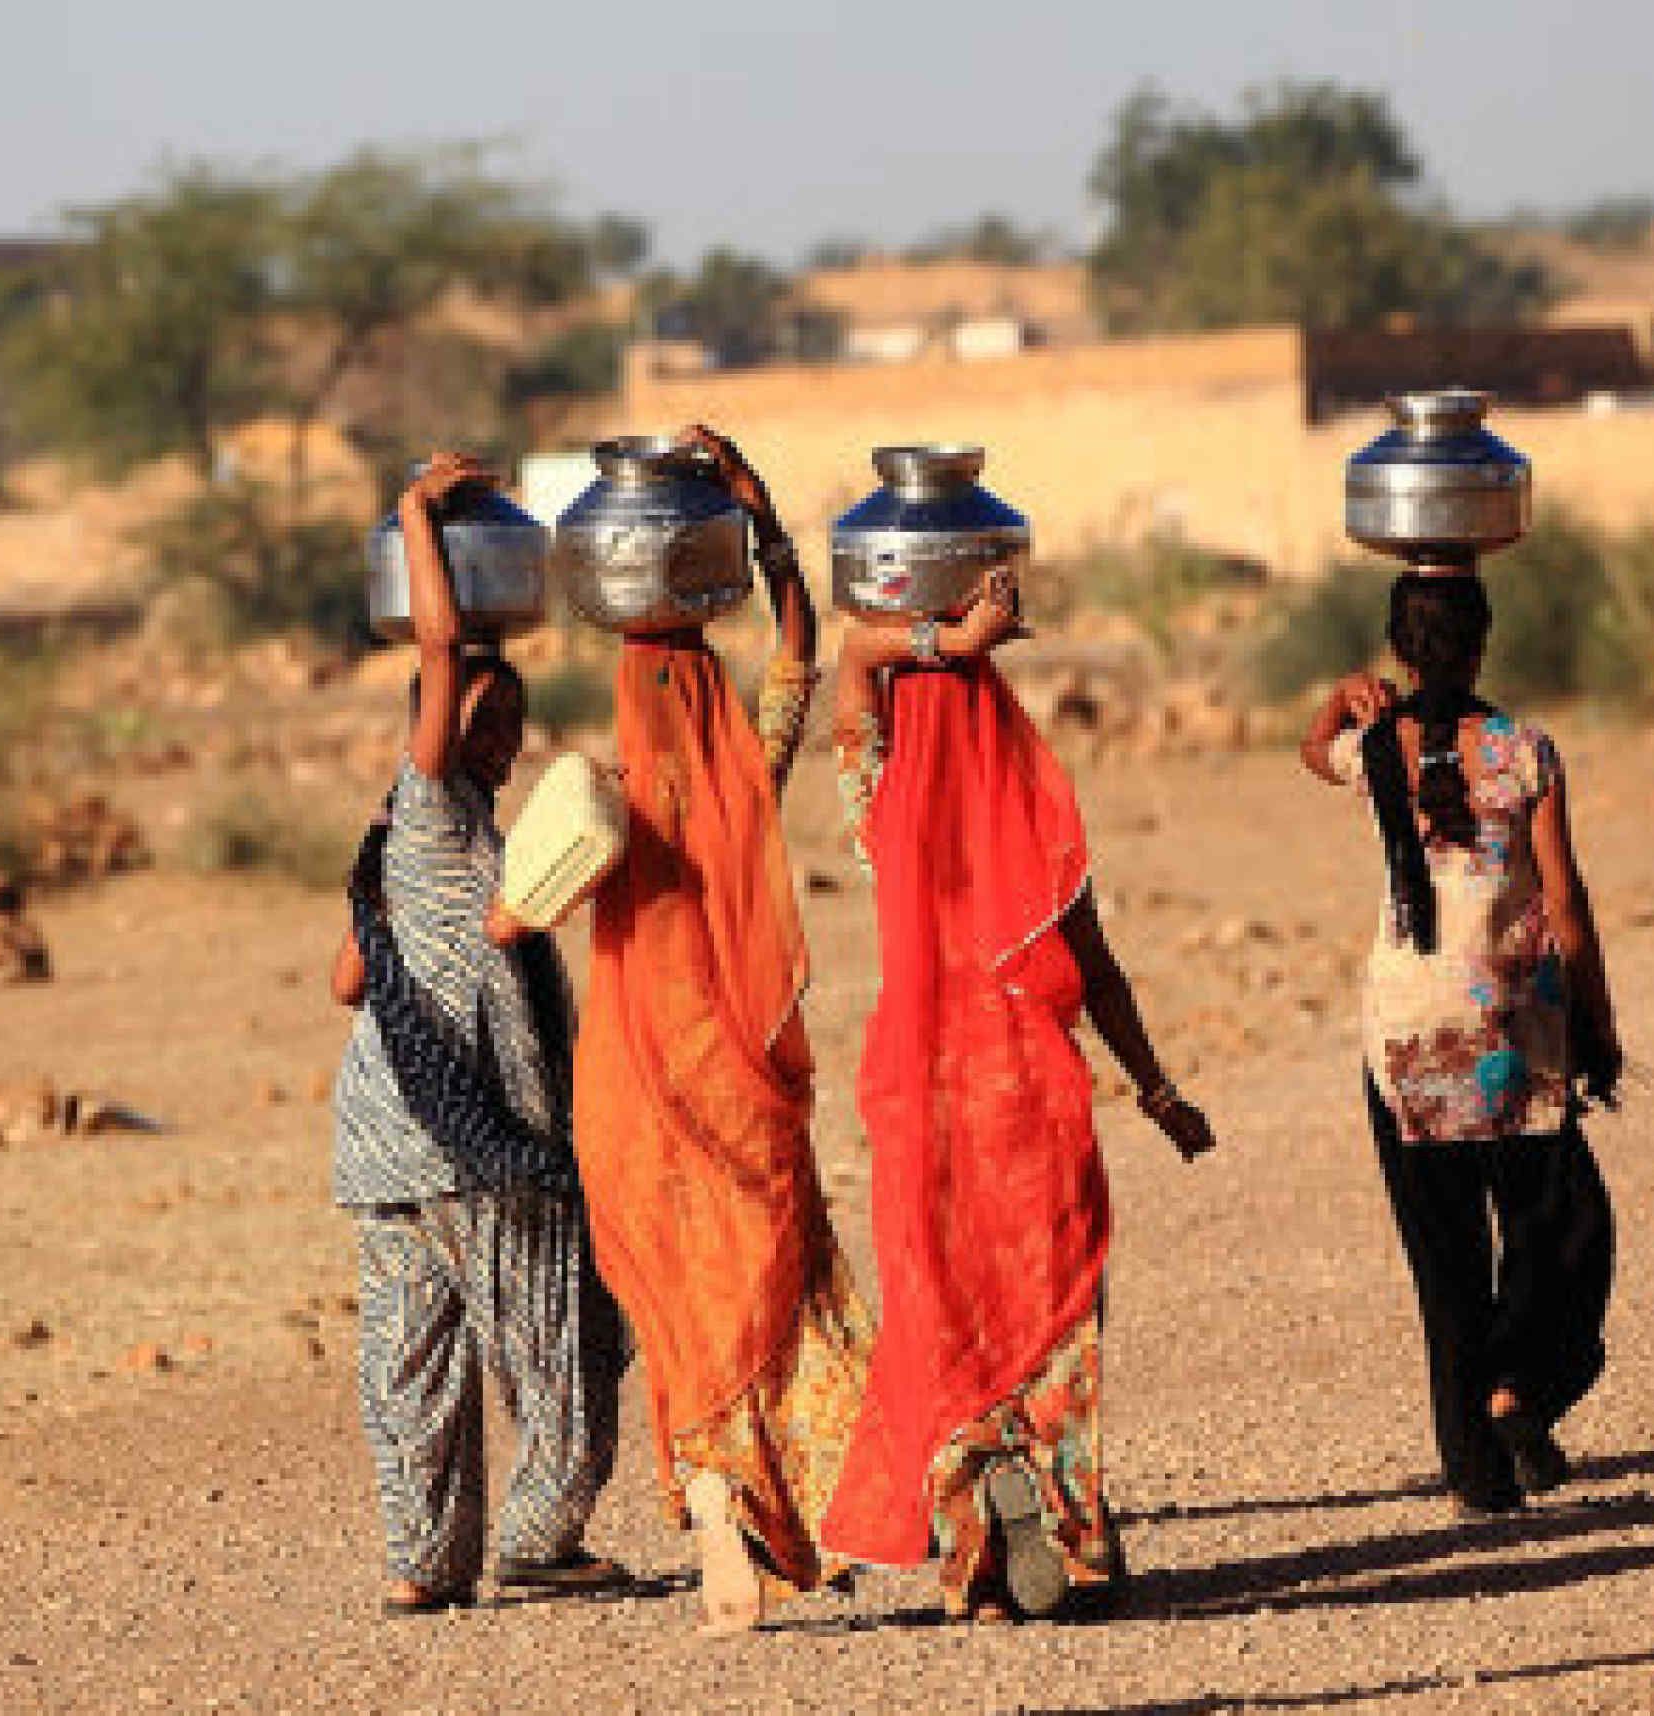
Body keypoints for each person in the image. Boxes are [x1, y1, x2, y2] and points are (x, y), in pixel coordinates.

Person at [513, 424, 869, 1636]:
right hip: (737, 1084)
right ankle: (784, 1503)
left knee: (677, 1307)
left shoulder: (602, 806)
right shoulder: (743, 778)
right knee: (759, 1288)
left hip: (629, 1089)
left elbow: (521, 911)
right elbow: (798, 658)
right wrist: (763, 524)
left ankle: (720, 1514)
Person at [819, 567, 1221, 1623]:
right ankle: (1064, 1526)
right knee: (1045, 1323)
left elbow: (850, 654)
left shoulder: (877, 800)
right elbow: (1095, 966)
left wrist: (942, 644)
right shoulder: (1030, 822)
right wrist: (1157, 1088)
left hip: (920, 1104)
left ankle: (978, 1566)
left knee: (945, 1318)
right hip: (1029, 1101)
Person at [326, 452, 627, 1614]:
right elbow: (441, 654)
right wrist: (412, 513)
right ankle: (541, 1539)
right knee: (559, 1335)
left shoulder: (405, 839)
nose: (505, 739)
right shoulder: (433, 806)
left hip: (385, 1152)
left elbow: (345, 981)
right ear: (441, 729)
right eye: (486, 721)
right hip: (471, 1151)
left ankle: (421, 1564)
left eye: (511, 722)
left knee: (414, 1361)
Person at [1297, 569, 1622, 1517]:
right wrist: (1598, 1022)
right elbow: (1564, 898)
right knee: (1559, 1229)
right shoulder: (1524, 750)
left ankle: (1478, 1475)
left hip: (1404, 1039)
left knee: (1444, 1263)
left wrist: (1341, 699)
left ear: (1401, 651)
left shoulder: (1374, 750)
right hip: (1514, 1028)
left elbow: (1312, 751)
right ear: (1483, 641)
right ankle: (1521, 1389)